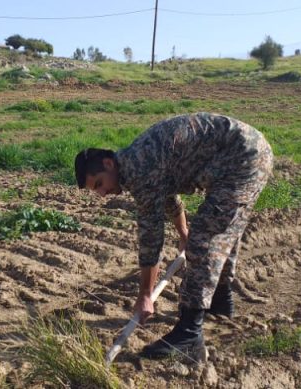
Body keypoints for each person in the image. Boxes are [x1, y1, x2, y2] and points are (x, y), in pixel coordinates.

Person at [75, 112, 273, 359]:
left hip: (243, 160)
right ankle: (221, 303)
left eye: (99, 185)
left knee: (205, 240)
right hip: (244, 154)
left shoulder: (138, 169)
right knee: (220, 231)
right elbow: (169, 194)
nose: (102, 194)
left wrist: (145, 296)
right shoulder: (136, 161)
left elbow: (151, 238)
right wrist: (182, 231)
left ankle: (189, 332)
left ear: (108, 164)